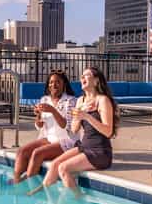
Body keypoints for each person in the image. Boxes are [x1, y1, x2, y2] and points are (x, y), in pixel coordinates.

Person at [28, 67, 119, 197]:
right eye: (81, 75)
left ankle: (78, 202)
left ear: (96, 81)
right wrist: (79, 114)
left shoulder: (102, 100)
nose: (82, 78)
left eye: (86, 75)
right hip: (84, 147)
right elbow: (74, 129)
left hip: (100, 151)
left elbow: (108, 132)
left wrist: (87, 116)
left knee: (63, 168)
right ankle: (48, 201)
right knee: (54, 165)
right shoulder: (80, 101)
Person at [12, 70, 78, 183]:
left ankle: (29, 186)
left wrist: (53, 110)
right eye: (51, 82)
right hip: (49, 138)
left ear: (64, 84)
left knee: (37, 153)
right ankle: (16, 181)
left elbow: (66, 126)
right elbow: (39, 126)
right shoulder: (45, 99)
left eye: (58, 82)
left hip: (66, 140)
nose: (54, 85)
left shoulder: (71, 101)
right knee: (21, 151)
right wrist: (38, 116)